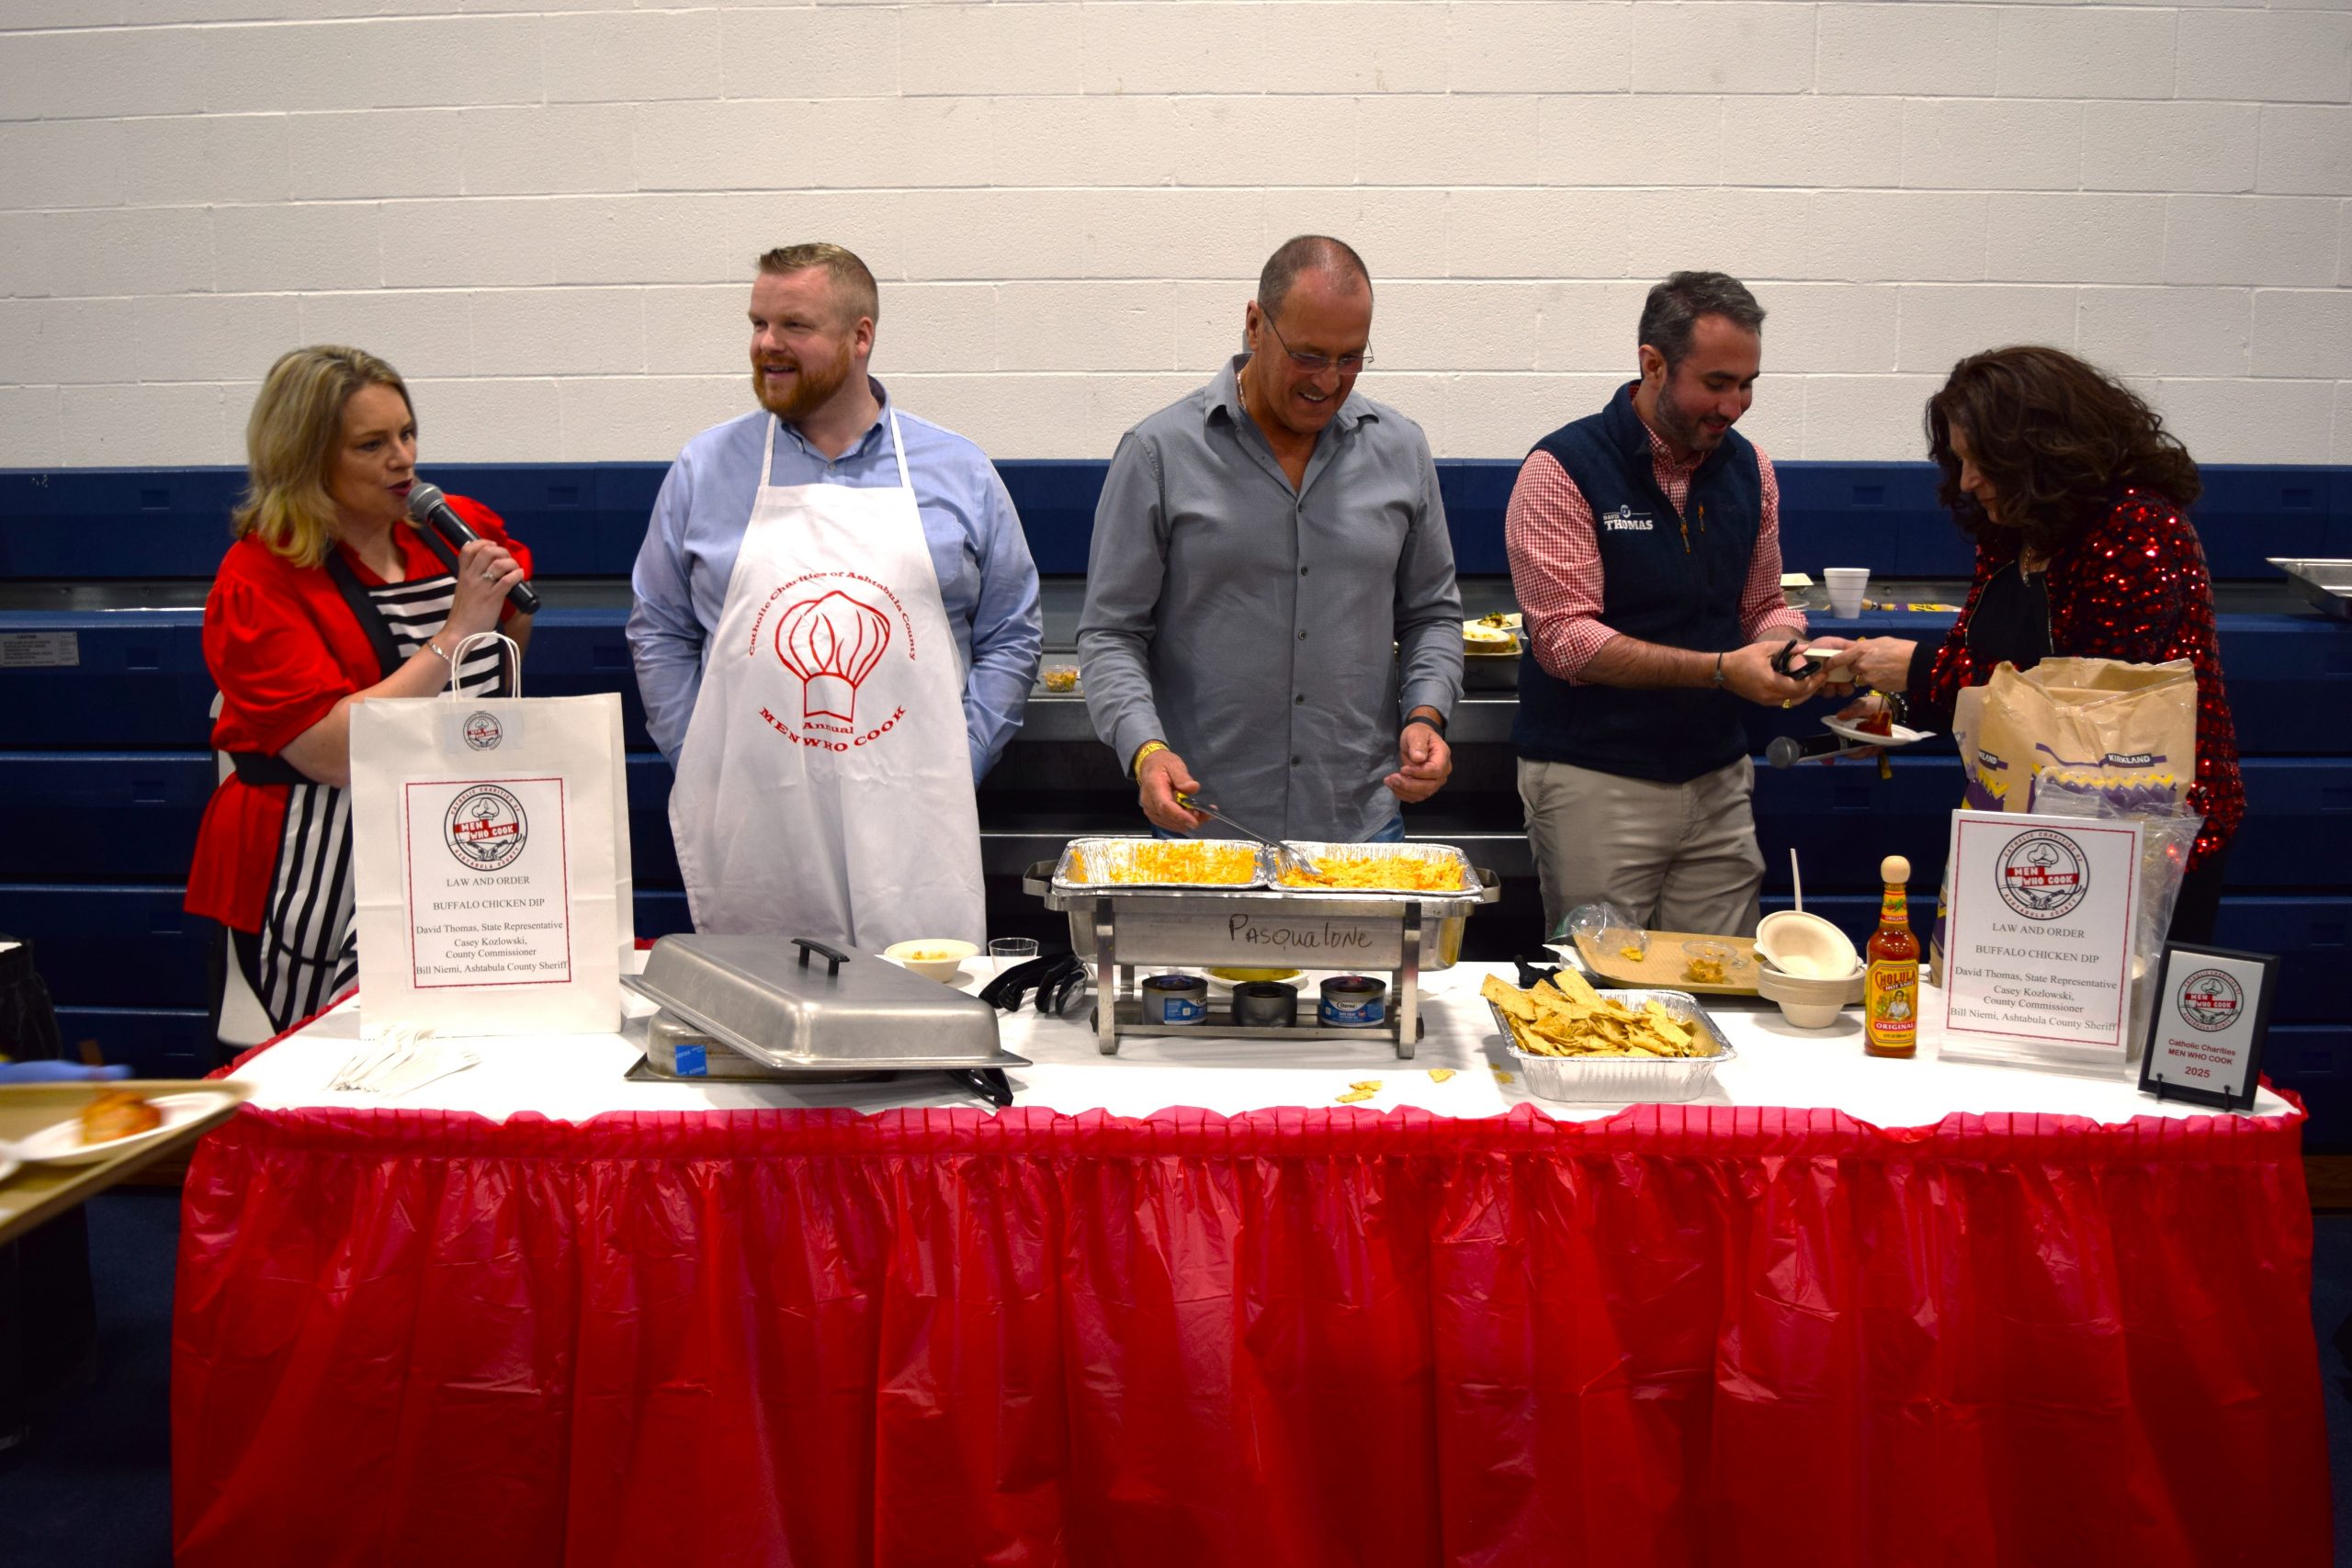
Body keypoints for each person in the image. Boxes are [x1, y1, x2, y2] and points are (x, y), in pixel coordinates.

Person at [629, 243, 1042, 949]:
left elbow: (1012, 630)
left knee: (914, 1002)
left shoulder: (958, 472)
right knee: (769, 1004)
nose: (766, 344)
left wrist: (963, 753)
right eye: (758, 323)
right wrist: (703, 755)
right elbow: (659, 628)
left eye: (794, 325)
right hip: (757, 824)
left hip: (913, 822)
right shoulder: (706, 469)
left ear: (860, 336)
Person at [1828, 345, 2245, 943]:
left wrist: (1917, 669)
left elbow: (2088, 699)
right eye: (1961, 460)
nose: (1967, 481)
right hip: (2032, 817)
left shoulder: (2137, 529)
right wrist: (1895, 710)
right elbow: (1984, 661)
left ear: (2039, 452)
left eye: (1982, 461)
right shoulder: (2014, 530)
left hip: (2149, 835)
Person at [186, 346, 532, 1038]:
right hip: (312, 855)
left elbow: (508, 639)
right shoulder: (259, 578)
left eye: (407, 433)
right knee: (339, 1061)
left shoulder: (453, 528)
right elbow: (333, 752)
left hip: (451, 834)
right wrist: (456, 632)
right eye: (371, 445)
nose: (403, 459)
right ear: (307, 460)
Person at [1077, 235, 1463, 843]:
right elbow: (1110, 633)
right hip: (1205, 831)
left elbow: (1432, 616)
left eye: (1350, 358)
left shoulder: (1401, 450)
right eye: (1308, 355)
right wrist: (1145, 748)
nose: (1328, 382)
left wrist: (1426, 715)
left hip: (1358, 829)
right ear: (1255, 325)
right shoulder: (1159, 454)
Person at [1505, 271, 1829, 940]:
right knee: (1602, 984)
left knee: (1722, 978)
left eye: (1747, 384)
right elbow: (1565, 642)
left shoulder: (1750, 470)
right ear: (1653, 364)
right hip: (1598, 779)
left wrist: (1786, 648)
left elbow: (1764, 602)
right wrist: (1721, 670)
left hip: (1717, 778)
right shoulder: (1564, 469)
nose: (1734, 405)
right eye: (1716, 383)